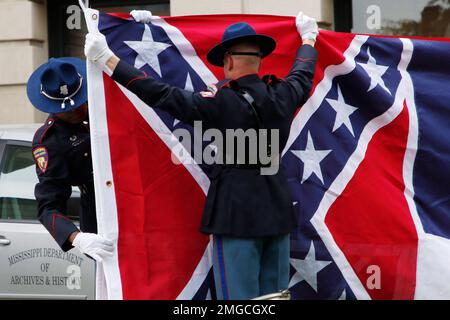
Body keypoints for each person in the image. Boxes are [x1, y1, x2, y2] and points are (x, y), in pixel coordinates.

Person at [85, 11, 318, 299]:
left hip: (236, 217)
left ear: (229, 60)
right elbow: (303, 70)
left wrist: (109, 60)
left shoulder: (221, 101)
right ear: (258, 59)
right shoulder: (283, 94)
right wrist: (309, 37)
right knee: (274, 299)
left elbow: (161, 94)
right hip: (278, 213)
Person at [28, 57, 113, 261]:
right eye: (67, 110)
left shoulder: (101, 108)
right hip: (101, 214)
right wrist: (77, 237)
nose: (76, 111)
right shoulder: (49, 142)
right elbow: (49, 205)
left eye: (79, 103)